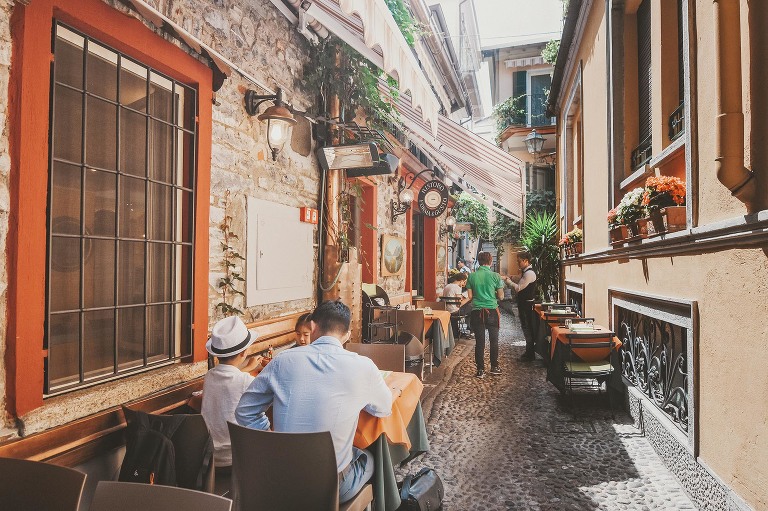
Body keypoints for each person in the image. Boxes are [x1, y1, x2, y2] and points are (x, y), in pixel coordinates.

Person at [235, 300, 395, 504]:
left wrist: (271, 438)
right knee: (372, 458)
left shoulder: (283, 360)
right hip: (332, 486)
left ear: (312, 327)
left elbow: (244, 411)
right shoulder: (364, 366)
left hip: (281, 479)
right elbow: (383, 409)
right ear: (346, 335)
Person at [201, 316, 263, 470]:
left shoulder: (209, 377)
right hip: (236, 457)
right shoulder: (245, 381)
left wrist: (247, 368)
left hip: (210, 456)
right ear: (244, 353)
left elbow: (227, 378)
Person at [466, 251, 504, 378]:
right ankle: (494, 367)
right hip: (492, 310)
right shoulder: (496, 276)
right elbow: (501, 296)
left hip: (477, 311)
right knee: (494, 340)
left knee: (479, 341)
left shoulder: (471, 276)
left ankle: (480, 370)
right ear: (490, 261)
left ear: (479, 261)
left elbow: (470, 296)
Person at [503, 250, 538, 361]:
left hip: (526, 306)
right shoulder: (526, 272)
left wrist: (508, 282)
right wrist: (511, 277)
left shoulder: (529, 274)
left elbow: (518, 288)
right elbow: (520, 279)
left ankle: (530, 354)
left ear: (525, 261)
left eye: (519, 262)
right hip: (524, 304)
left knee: (527, 328)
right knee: (525, 327)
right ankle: (529, 353)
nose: (518, 264)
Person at [442, 272, 473, 339]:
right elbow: (459, 304)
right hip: (455, 311)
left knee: (469, 307)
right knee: (473, 308)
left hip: (447, 310)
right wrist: (469, 298)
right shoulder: (457, 287)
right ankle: (471, 330)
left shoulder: (447, 286)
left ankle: (459, 331)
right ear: (461, 281)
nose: (464, 284)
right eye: (464, 282)